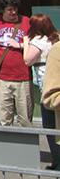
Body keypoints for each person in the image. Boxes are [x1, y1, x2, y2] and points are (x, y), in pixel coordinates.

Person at [23, 14, 60, 169]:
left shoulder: (38, 41)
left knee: (50, 127)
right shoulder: (56, 38)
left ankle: (57, 161)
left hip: (49, 88)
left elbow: (28, 59)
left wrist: (25, 43)